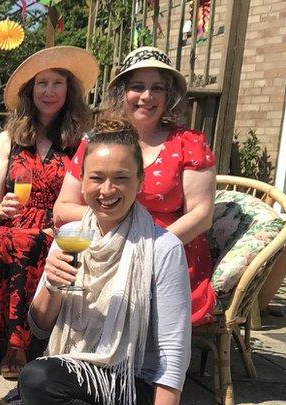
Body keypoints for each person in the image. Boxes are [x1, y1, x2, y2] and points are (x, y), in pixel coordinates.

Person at [20, 117, 190, 405]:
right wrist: (53, 287)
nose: (107, 190)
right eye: (96, 178)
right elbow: (40, 327)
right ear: (83, 180)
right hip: (74, 389)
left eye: (120, 178)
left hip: (127, 389)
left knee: (38, 379)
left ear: (140, 180)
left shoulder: (162, 249)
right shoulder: (71, 235)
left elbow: (172, 359)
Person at [54, 46, 218, 326]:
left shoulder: (189, 143)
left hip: (161, 257)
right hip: (103, 251)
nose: (146, 96)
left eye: (157, 88)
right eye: (137, 86)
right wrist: (115, 228)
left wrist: (147, 248)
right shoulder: (96, 142)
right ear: (122, 94)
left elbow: (202, 216)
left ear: (169, 96)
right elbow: (62, 208)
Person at [0, 46, 97, 378]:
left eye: (57, 83)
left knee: (33, 243)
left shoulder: (80, 142)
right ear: (29, 91)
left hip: (59, 224)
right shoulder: (9, 139)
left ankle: (19, 344)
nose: (49, 91)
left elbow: (86, 199)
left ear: (69, 90)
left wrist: (58, 224)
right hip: (11, 222)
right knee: (4, 239)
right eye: (41, 83)